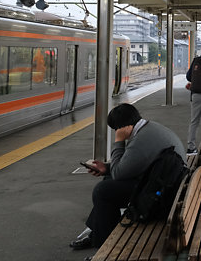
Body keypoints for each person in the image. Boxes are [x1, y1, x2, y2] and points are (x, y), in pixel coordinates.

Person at [70, 104, 186, 250]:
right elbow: (132, 163)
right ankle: (98, 234)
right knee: (108, 182)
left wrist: (119, 142)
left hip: (163, 195)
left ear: (123, 127)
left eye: (116, 130)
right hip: (166, 183)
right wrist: (106, 168)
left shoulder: (142, 140)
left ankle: (104, 248)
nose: (116, 132)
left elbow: (119, 173)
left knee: (103, 191)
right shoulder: (148, 128)